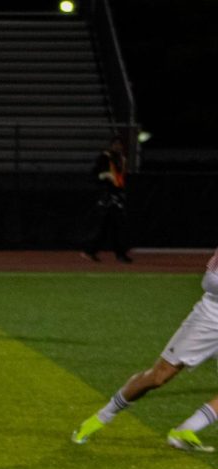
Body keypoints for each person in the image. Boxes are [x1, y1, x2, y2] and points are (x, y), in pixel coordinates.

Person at [72, 246, 218, 452]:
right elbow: (209, 281)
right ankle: (100, 418)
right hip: (210, 319)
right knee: (159, 377)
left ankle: (185, 431)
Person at [82, 135, 132, 264]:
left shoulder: (122, 159)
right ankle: (118, 254)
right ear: (111, 145)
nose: (118, 146)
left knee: (111, 227)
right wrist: (104, 175)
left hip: (117, 196)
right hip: (107, 196)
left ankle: (91, 251)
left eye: (120, 144)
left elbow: (121, 179)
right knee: (112, 226)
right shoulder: (104, 157)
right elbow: (93, 175)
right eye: (115, 144)